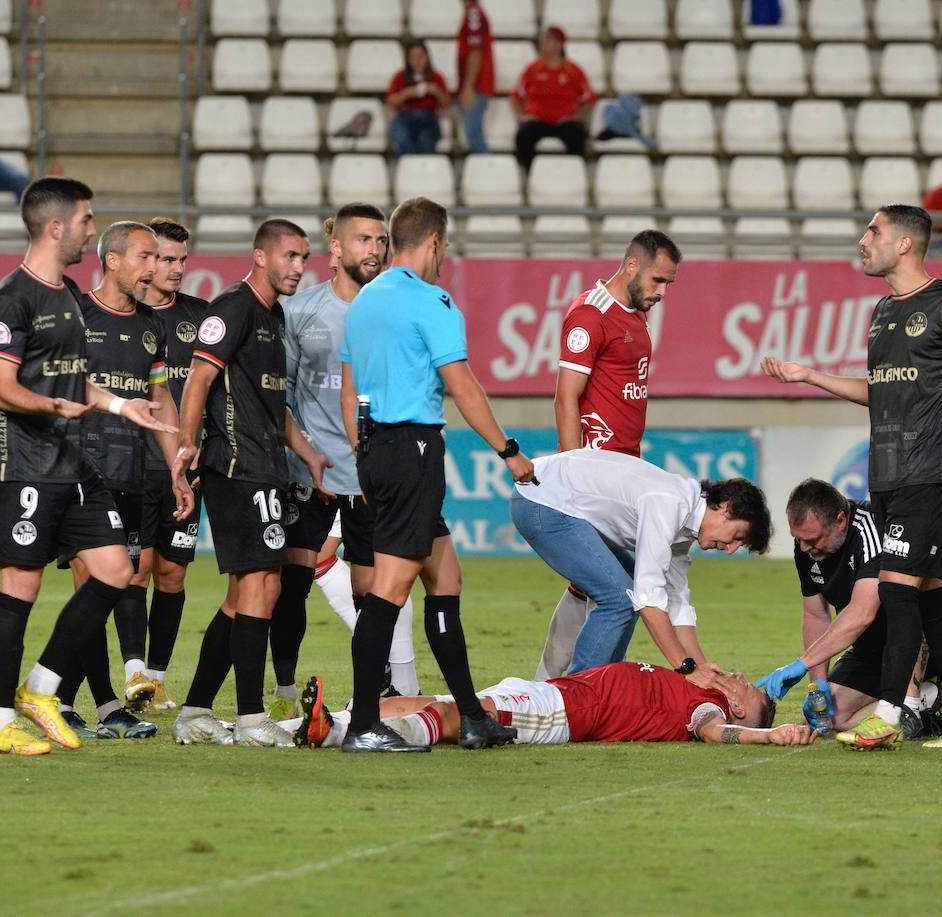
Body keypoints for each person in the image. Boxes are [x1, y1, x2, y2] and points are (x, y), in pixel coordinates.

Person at [761, 204, 942, 751]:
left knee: (896, 592)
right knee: (926, 593)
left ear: (903, 244)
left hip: (932, 469)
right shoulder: (881, 311)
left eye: (873, 231)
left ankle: (892, 715)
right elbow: (882, 393)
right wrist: (810, 376)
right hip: (888, 473)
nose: (863, 240)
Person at [0, 176, 177, 755]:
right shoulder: (11, 297)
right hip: (25, 466)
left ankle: (41, 687)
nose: (93, 230)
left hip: (74, 464)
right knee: (21, 587)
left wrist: (120, 404)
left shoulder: (66, 294)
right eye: (88, 221)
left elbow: (75, 381)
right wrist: (51, 404)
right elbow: (0, 387)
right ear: (57, 226)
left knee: (116, 570)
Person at [339, 195, 536, 753]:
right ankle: (364, 726)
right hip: (412, 449)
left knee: (443, 577)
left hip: (377, 448)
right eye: (443, 247)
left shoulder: (363, 301)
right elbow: (463, 384)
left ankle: (472, 716)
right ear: (433, 243)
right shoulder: (434, 301)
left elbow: (349, 390)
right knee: (388, 589)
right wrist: (508, 450)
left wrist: (365, 452)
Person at [169, 219, 329, 749]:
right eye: (288, 256)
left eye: (304, 258)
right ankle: (250, 717)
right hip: (236, 468)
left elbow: (271, 402)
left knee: (248, 593)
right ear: (260, 256)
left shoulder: (275, 315)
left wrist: (306, 453)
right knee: (262, 586)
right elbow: (198, 380)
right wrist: (185, 449)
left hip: (268, 468)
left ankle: (194, 711)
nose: (298, 268)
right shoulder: (233, 307)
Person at [268, 203, 420, 720]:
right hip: (307, 473)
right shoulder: (299, 311)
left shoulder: (397, 310)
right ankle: (285, 688)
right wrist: (301, 451)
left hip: (370, 475)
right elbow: (280, 392)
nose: (375, 250)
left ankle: (379, 688)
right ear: (335, 248)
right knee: (291, 586)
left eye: (381, 240)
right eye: (364, 240)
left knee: (374, 590)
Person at [52, 221, 186, 740]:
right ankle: (96, 705)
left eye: (157, 258)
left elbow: (162, 400)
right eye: (146, 257)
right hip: (81, 472)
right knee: (93, 587)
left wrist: (174, 465)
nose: (155, 268)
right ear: (112, 261)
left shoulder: (151, 327)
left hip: (133, 473)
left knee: (111, 589)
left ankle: (68, 700)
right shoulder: (77, 315)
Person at [536, 229, 682, 680]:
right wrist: (571, 475)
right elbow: (566, 399)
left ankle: (556, 684)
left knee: (596, 588)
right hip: (596, 473)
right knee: (627, 589)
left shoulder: (636, 316)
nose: (661, 292)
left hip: (625, 469)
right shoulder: (589, 316)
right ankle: (571, 686)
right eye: (658, 280)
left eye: (669, 285)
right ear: (632, 265)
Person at [753, 479, 942, 743]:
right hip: (877, 642)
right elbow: (816, 615)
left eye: (813, 539)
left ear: (841, 520)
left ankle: (910, 705)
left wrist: (801, 663)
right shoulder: (807, 548)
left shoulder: (872, 527)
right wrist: (819, 685)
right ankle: (934, 698)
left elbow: (862, 612)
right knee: (831, 721)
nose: (804, 548)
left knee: (904, 602)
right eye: (799, 540)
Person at [511, 449, 772, 677]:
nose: (730, 550)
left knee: (626, 596)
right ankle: (575, 699)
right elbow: (647, 601)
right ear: (725, 508)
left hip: (550, 499)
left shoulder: (685, 522)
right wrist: (686, 669)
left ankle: (599, 687)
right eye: (737, 537)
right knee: (621, 599)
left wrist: (705, 672)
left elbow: (676, 604)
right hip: (541, 502)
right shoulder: (670, 503)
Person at [278, 665, 812, 749]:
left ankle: (335, 735)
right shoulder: (701, 685)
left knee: (461, 714)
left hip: (562, 712)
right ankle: (302, 727)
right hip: (554, 692)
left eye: (748, 691)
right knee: (426, 699)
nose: (740, 679)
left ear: (741, 711)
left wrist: (772, 734)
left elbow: (715, 735)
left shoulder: (705, 712)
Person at [135, 217, 209, 710]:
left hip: (188, 468)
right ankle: (127, 675)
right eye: (165, 259)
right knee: (133, 572)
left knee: (172, 575)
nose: (177, 268)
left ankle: (156, 679)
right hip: (132, 467)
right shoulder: (121, 318)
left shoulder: (204, 319)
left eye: (182, 260)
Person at [510, 25, 595, 170]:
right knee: (523, 135)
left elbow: (589, 99)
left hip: (564, 121)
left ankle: (572, 174)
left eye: (548, 40)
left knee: (577, 134)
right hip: (538, 121)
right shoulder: (533, 69)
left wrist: (578, 116)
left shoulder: (573, 71)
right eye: (543, 40)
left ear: (560, 44)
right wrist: (521, 116)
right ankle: (530, 174)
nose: (543, 43)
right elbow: (516, 96)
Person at [386, 40, 451, 156]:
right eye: (413, 57)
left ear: (427, 57)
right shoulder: (400, 76)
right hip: (404, 117)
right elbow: (390, 103)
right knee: (404, 140)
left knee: (425, 141)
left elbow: (447, 104)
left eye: (420, 56)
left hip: (428, 118)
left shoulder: (436, 77)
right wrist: (406, 94)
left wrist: (437, 92)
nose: (417, 61)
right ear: (408, 60)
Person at [456, 0, 493, 154]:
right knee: (473, 133)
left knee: (472, 133)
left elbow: (476, 51)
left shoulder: (474, 14)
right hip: (476, 84)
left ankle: (489, 170)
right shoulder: (472, 13)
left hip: (478, 85)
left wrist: (469, 86)